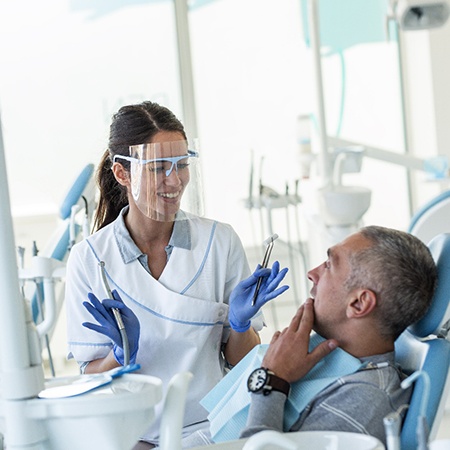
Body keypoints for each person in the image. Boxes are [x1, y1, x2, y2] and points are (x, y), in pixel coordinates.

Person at [64, 100, 289, 449]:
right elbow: (90, 378)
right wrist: (120, 356)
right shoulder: (89, 259)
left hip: (212, 429)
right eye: (158, 168)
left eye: (181, 165)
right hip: (132, 435)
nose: (174, 180)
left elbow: (241, 360)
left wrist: (241, 326)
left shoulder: (219, 241)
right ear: (122, 173)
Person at [239, 226, 437, 446]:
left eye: (329, 265)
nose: (312, 274)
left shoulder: (362, 402)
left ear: (359, 303)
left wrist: (271, 381)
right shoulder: (332, 362)